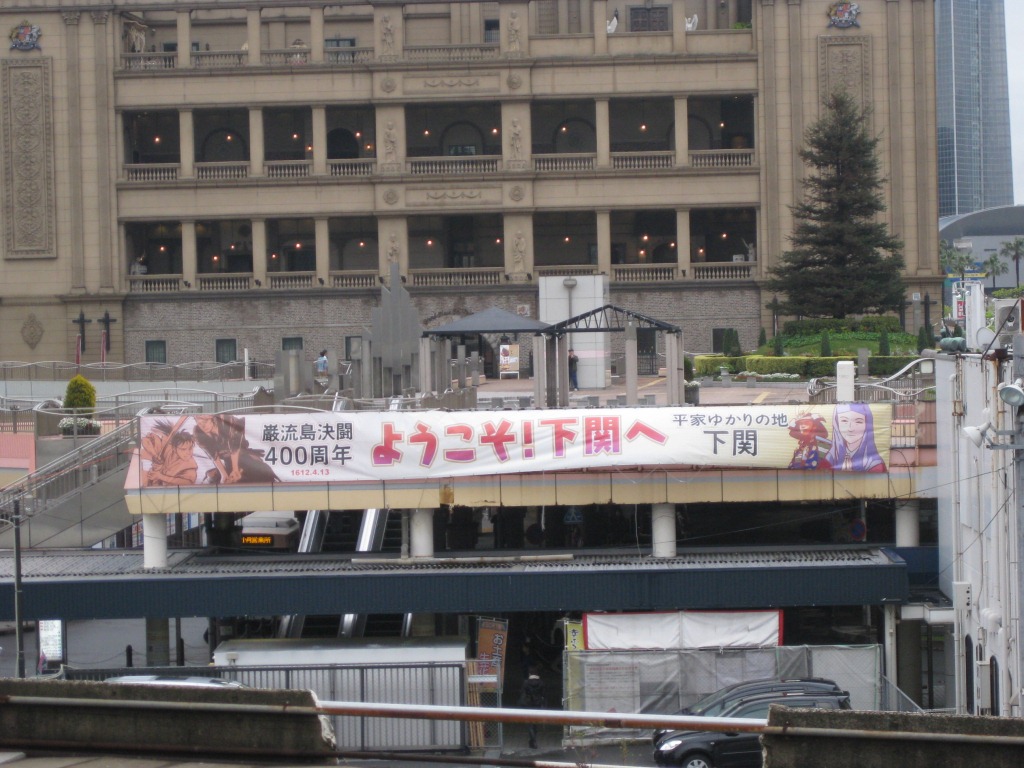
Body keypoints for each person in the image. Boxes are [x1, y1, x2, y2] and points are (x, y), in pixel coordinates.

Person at [824, 402, 886, 472]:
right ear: (837, 423)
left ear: (867, 425)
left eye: (858, 422)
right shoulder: (830, 458)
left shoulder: (875, 464)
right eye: (844, 421)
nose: (850, 428)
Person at [518, 667, 546, 748]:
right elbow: (544, 694)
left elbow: (522, 692)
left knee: (529, 724)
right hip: (537, 704)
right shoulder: (541, 683)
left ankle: (533, 741)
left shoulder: (526, 682)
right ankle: (533, 739)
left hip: (528, 705)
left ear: (529, 674)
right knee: (535, 723)